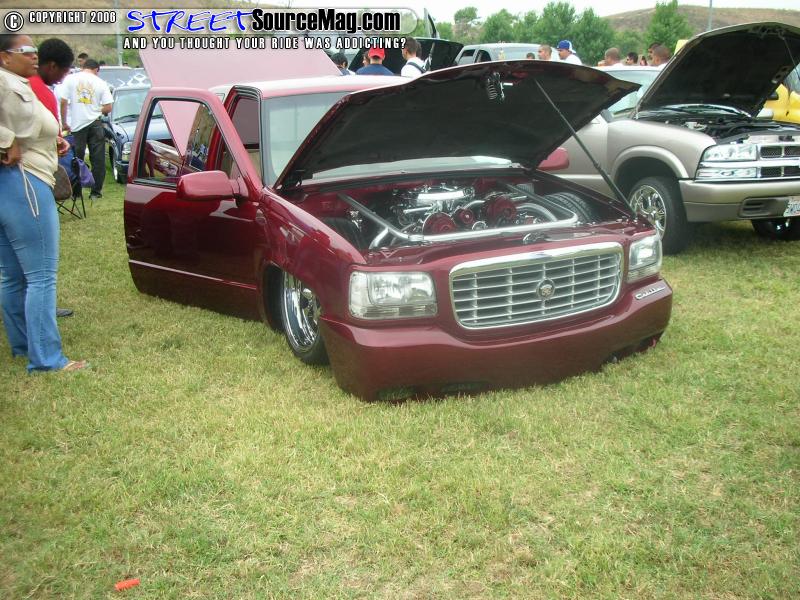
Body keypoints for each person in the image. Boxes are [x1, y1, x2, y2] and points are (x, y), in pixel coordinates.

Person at [0, 34, 87, 372]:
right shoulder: (8, 84)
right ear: (5, 56)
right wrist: (7, 140)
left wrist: (52, 142)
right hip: (25, 182)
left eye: (35, 50)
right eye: (26, 51)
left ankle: (23, 345)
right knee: (41, 276)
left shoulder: (16, 81)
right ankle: (47, 359)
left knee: (13, 275)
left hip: (16, 182)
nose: (33, 56)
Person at [28, 38, 75, 320]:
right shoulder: (38, 91)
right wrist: (58, 140)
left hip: (22, 179)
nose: (63, 78)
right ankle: (42, 311)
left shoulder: (23, 86)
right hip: (33, 179)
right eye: (64, 71)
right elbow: (50, 132)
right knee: (42, 263)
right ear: (52, 65)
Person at [59, 58, 112, 199]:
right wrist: (96, 110)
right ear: (96, 70)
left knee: (77, 159)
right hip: (95, 124)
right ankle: (96, 192)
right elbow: (108, 107)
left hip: (77, 125)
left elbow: (63, 101)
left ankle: (77, 192)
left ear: (83, 67)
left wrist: (64, 122)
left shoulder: (70, 79)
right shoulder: (101, 82)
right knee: (98, 159)